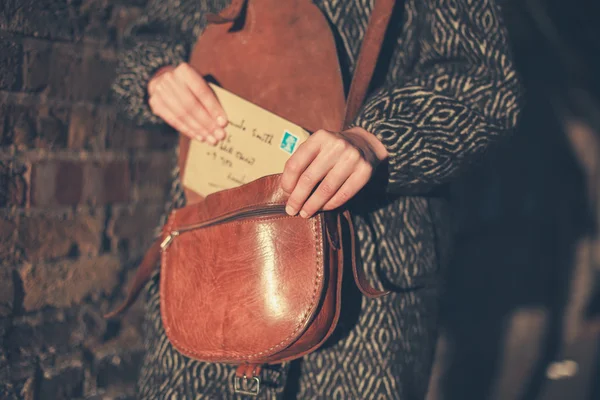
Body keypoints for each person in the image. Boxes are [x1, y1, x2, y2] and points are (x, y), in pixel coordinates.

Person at [112, 0, 521, 398]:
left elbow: (485, 83)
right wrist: (155, 74)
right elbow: (150, 36)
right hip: (206, 260)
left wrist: (377, 138)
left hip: (367, 277)